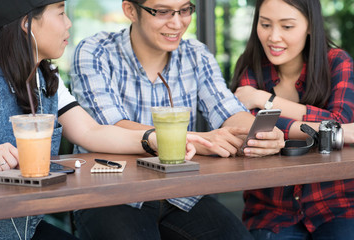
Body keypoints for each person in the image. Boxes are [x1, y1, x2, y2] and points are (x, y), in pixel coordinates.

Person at [0, 0, 212, 239]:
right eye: (61, 13)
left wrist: (151, 139)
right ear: (27, 23)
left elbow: (90, 132)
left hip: (25, 228)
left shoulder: (46, 80)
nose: (68, 23)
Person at [70, 0, 285, 239]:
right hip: (112, 194)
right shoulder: (95, 51)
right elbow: (110, 126)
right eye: (162, 11)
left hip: (180, 193)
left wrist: (262, 133)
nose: (177, 22)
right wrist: (199, 139)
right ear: (130, 10)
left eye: (184, 10)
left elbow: (228, 112)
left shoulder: (195, 54)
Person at [231, 0, 354, 239]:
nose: (274, 37)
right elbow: (250, 130)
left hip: (336, 205)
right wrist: (333, 130)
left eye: (287, 27)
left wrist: (264, 100)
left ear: (310, 26)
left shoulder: (337, 62)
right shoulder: (250, 67)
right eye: (265, 24)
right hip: (272, 210)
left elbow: (342, 121)